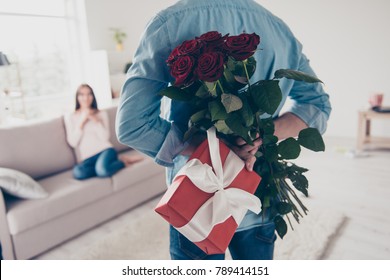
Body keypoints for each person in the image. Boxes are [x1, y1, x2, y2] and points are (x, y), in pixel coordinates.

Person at [116, 0, 331, 260]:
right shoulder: (279, 30)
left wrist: (210, 150)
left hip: (195, 202)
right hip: (259, 194)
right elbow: (317, 105)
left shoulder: (169, 23)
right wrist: (258, 137)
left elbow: (132, 125)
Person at [64, 84, 142, 180]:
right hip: (87, 158)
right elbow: (73, 142)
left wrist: (96, 120)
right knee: (78, 173)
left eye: (89, 94)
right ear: (77, 97)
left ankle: (122, 162)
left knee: (102, 171)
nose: (86, 98)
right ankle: (112, 163)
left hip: (105, 151)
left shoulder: (101, 114)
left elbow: (105, 137)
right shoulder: (70, 117)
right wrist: (82, 121)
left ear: (93, 96)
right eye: (82, 95)